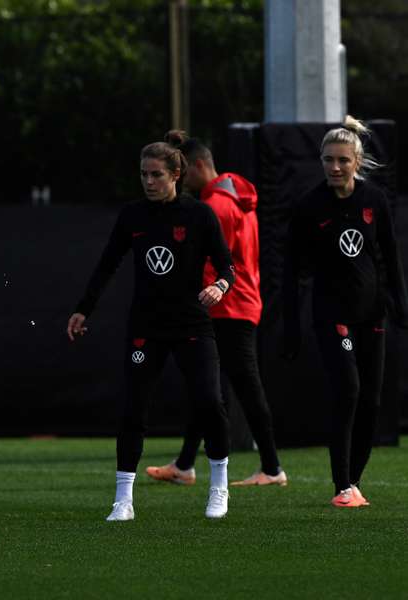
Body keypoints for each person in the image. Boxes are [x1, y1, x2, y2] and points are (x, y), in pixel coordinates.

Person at [67, 132, 235, 521]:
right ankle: (122, 500)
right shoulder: (133, 215)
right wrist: (83, 309)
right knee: (133, 408)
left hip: (192, 323)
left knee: (210, 401)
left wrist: (219, 286)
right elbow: (107, 264)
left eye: (156, 174)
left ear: (176, 174)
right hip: (147, 324)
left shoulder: (200, 214)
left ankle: (219, 486)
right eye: (143, 174)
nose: (148, 181)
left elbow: (227, 265)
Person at [145, 133, 286, 487]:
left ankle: (271, 467)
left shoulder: (216, 207)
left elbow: (210, 262)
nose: (181, 180)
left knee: (241, 386)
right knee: (208, 388)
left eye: (183, 172)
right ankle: (185, 464)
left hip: (228, 306)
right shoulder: (234, 197)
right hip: (238, 302)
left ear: (198, 166)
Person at [284, 116, 408, 508]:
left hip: (371, 314)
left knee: (371, 399)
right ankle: (342, 486)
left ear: (356, 160)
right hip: (330, 313)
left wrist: (399, 303)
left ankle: (353, 481)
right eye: (327, 160)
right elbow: (290, 273)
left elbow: (389, 255)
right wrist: (290, 327)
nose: (334, 168)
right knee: (348, 390)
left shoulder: (374, 200)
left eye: (342, 160)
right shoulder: (308, 207)